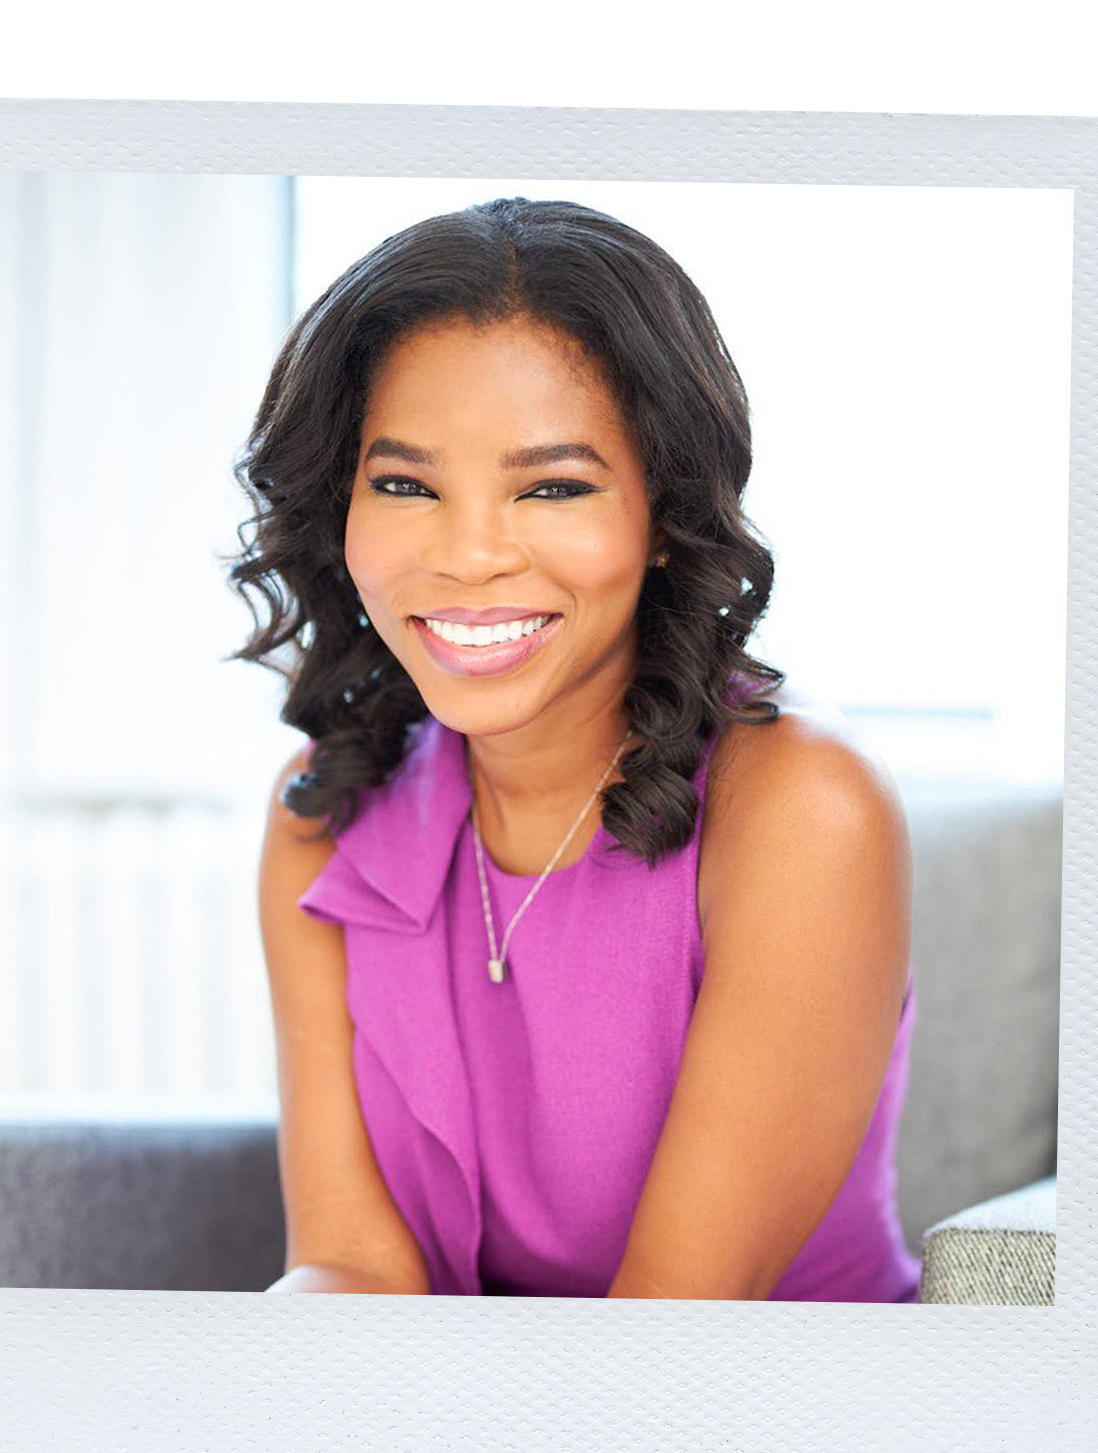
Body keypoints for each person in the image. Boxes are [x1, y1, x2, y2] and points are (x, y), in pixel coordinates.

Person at [227, 197, 922, 1302]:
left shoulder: (801, 807)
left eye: (551, 486)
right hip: (441, 1434)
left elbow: (675, 1320)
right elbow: (347, 1262)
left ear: (664, 513)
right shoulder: (321, 817)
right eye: (404, 484)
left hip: (767, 1438)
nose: (466, 556)